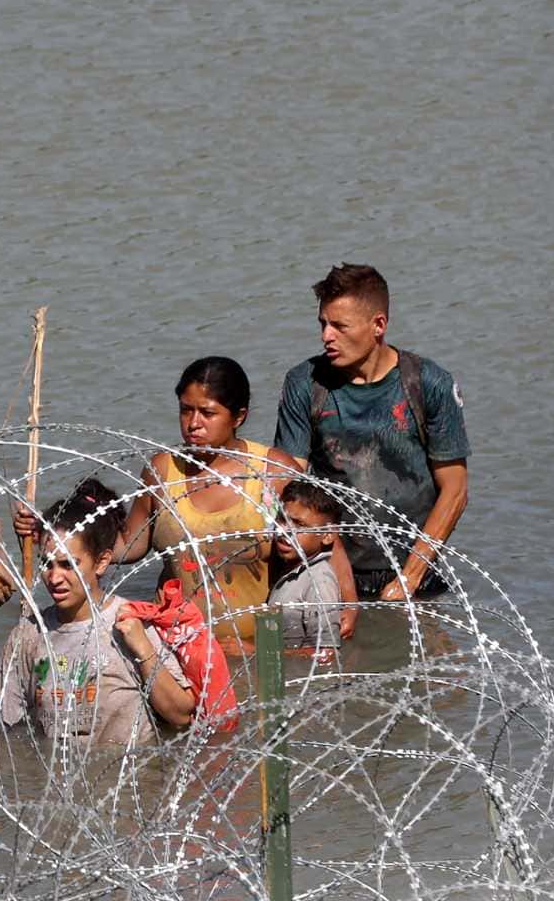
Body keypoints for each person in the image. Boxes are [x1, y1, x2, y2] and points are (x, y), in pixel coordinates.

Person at [25, 357, 352, 649]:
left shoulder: (272, 472)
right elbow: (127, 546)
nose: (193, 423)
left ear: (238, 416)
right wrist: (49, 531)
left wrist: (348, 602)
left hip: (261, 648)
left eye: (208, 413)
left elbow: (324, 538)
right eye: (186, 410)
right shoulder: (163, 471)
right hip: (178, 644)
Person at [273, 264, 470, 602]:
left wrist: (409, 578)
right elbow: (289, 486)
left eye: (339, 326)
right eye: (323, 324)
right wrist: (339, 582)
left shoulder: (429, 384)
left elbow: (455, 491)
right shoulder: (305, 384)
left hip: (417, 571)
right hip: (331, 568)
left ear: (378, 325)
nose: (326, 336)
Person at [0, 479, 194, 749]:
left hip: (129, 771)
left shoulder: (131, 624)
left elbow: (181, 716)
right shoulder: (30, 633)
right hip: (58, 773)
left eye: (68, 565)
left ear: (101, 562)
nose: (54, 577)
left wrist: (143, 648)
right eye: (47, 564)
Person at [268, 479, 345, 664]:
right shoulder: (292, 570)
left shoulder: (319, 582)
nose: (284, 532)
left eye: (299, 525)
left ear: (327, 535)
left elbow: (327, 655)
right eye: (282, 519)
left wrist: (255, 651)